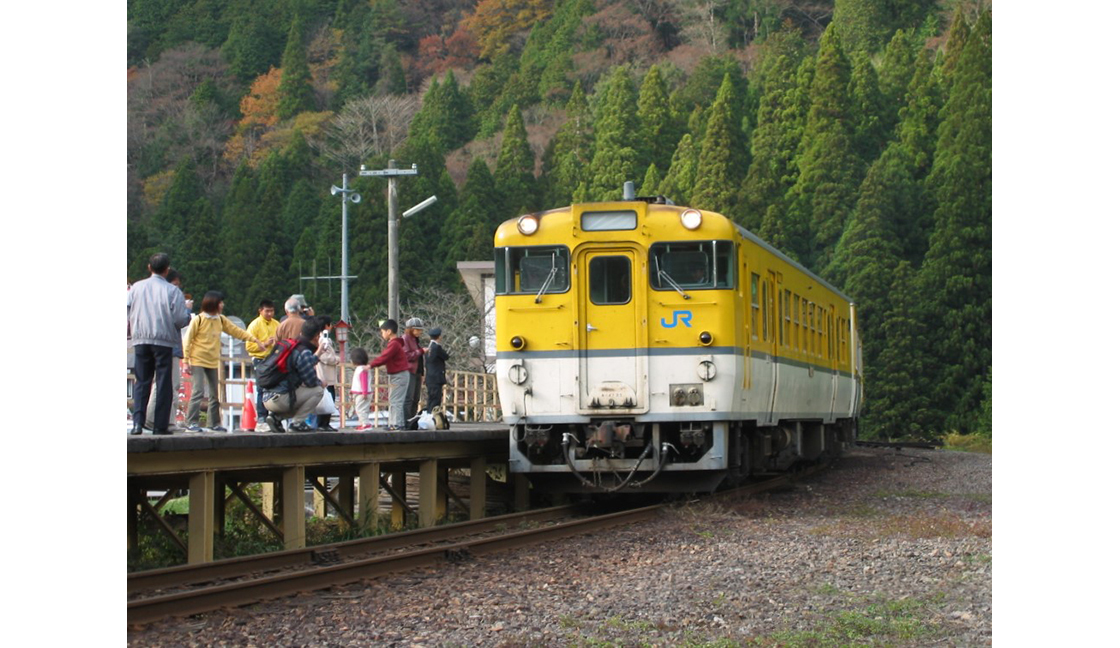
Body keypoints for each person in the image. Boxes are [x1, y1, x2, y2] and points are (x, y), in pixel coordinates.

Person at [128, 253, 192, 435]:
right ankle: (159, 426)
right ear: (167, 270)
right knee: (163, 382)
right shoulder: (173, 291)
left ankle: (137, 424)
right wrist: (187, 315)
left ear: (149, 268)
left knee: (142, 381)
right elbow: (180, 319)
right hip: (163, 340)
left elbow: (127, 311)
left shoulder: (136, 288)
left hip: (140, 339)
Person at [183, 291, 264, 432]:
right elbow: (187, 340)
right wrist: (186, 360)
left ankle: (213, 423)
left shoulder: (220, 319)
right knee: (198, 391)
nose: (222, 304)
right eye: (220, 302)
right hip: (197, 359)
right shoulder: (199, 319)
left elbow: (236, 331)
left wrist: (254, 340)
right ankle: (191, 422)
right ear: (213, 303)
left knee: (215, 393)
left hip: (213, 360)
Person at [261, 318, 327, 433]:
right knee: (317, 391)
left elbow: (306, 362)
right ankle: (297, 423)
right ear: (317, 337)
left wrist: (319, 352)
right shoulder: (304, 351)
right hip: (281, 399)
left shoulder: (292, 345)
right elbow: (311, 381)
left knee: (299, 393)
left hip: (267, 397)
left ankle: (276, 418)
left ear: (301, 333)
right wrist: (321, 383)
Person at [145, 268, 188, 430]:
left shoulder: (151, 297)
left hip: (152, 344)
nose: (177, 288)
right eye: (175, 284)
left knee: (160, 383)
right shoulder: (171, 296)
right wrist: (187, 310)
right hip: (170, 346)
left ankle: (154, 419)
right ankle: (164, 421)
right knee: (170, 384)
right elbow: (180, 320)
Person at [245, 299, 280, 431]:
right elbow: (249, 346)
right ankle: (261, 419)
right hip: (260, 359)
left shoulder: (277, 324)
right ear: (260, 311)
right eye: (267, 311)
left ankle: (273, 417)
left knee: (276, 388)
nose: (270, 313)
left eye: (272, 311)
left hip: (274, 359)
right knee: (261, 388)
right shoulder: (254, 325)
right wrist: (264, 344)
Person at [369, 319, 409, 431]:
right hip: (398, 375)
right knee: (394, 399)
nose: (382, 334)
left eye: (383, 332)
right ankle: (394, 423)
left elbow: (384, 357)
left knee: (396, 400)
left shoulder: (394, 344)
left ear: (389, 331)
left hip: (399, 375)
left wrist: (370, 365)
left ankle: (397, 424)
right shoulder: (396, 344)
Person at [314, 320, 340, 431]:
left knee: (330, 400)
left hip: (328, 375)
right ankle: (322, 424)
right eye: (330, 325)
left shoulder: (325, 339)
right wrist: (336, 359)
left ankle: (325, 423)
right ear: (326, 326)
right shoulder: (322, 340)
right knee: (326, 399)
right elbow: (324, 357)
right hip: (324, 375)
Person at [402, 317, 426, 424]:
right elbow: (407, 356)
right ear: (411, 329)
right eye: (417, 329)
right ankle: (406, 421)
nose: (420, 331)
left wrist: (422, 372)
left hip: (417, 371)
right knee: (409, 398)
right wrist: (420, 351)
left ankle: (412, 421)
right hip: (409, 371)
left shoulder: (415, 340)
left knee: (416, 398)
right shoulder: (405, 339)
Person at [425, 327, 451, 411]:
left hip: (429, 377)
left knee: (431, 399)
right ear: (439, 337)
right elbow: (446, 356)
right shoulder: (437, 348)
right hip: (437, 377)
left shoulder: (428, 348)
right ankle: (432, 417)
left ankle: (428, 416)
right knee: (436, 400)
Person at [349, 348, 373, 431]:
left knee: (360, 409)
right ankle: (363, 423)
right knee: (363, 409)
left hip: (361, 393)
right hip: (362, 392)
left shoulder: (362, 369)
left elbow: (364, 381)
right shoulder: (363, 368)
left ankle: (365, 424)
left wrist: (364, 392)